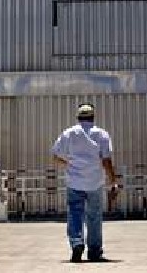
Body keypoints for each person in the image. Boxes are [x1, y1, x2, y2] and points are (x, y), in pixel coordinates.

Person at [50, 102, 118, 262]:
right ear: (93, 117)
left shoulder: (69, 133)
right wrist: (113, 181)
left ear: (78, 117)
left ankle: (76, 244)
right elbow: (107, 160)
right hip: (95, 182)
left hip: (74, 181)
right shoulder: (101, 134)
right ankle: (94, 251)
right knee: (94, 216)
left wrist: (68, 164)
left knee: (75, 214)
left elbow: (55, 156)